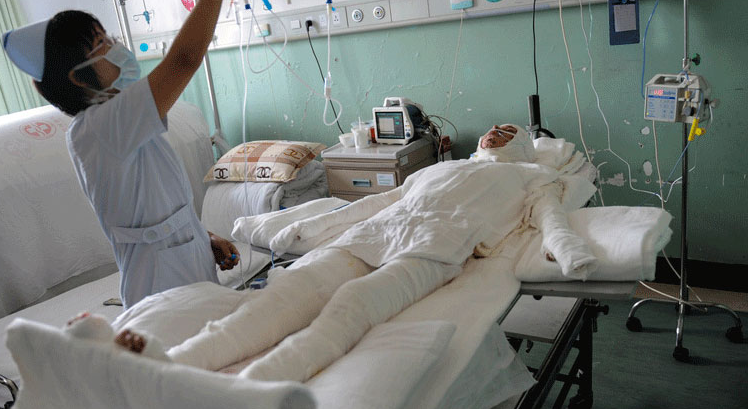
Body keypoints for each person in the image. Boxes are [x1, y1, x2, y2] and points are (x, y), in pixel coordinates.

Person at [99, 124, 597, 382]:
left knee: (354, 306)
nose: (494, 134)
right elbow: (379, 202)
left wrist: (570, 253)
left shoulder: (532, 176)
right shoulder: (435, 170)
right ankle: (177, 361)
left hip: (439, 245)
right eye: (494, 130)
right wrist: (307, 225)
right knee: (290, 292)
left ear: (522, 149)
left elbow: (551, 219)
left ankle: (257, 382)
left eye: (507, 134)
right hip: (381, 229)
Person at [2, 0, 240, 308]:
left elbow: (155, 206)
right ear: (77, 78)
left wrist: (203, 238)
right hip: (161, 290)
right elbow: (184, 61)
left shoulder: (117, 120)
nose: (117, 46)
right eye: (101, 44)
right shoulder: (97, 130)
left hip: (188, 268)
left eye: (108, 36)